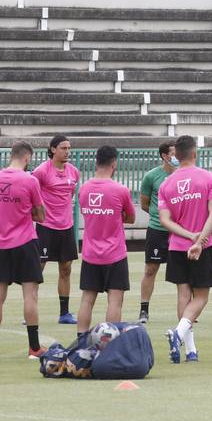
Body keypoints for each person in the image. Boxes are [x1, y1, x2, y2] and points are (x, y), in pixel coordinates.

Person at [159, 135, 212, 364]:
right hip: (201, 247)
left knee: (183, 295)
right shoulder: (207, 178)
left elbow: (165, 220)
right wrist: (199, 240)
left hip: (177, 247)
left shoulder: (167, 183)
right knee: (201, 297)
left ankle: (190, 351)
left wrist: (188, 236)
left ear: (176, 155)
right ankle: (178, 333)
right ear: (194, 153)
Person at [0, 142, 47, 360]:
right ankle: (34, 348)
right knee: (30, 295)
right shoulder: (30, 180)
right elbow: (41, 215)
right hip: (24, 241)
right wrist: (24, 212)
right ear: (27, 158)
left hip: (1, 243)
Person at [76, 146, 135, 342]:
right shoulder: (120, 190)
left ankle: (81, 341)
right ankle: (111, 343)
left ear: (96, 162)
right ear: (114, 163)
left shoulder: (84, 189)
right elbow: (131, 218)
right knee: (115, 300)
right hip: (114, 253)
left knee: (87, 299)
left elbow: (86, 214)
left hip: (90, 252)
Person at [33, 134, 81, 325]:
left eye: (69, 148)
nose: (67, 152)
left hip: (66, 226)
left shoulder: (74, 172)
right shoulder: (41, 172)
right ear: (53, 149)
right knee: (38, 268)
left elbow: (70, 195)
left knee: (66, 268)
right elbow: (31, 193)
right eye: (63, 148)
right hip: (45, 226)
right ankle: (30, 309)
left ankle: (64, 313)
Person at [137, 142, 176, 322]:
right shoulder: (152, 176)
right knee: (151, 269)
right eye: (174, 153)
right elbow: (145, 203)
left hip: (180, 231)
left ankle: (187, 310)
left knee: (183, 270)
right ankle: (144, 310)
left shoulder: (184, 175)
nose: (178, 157)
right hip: (157, 229)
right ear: (164, 156)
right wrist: (160, 217)